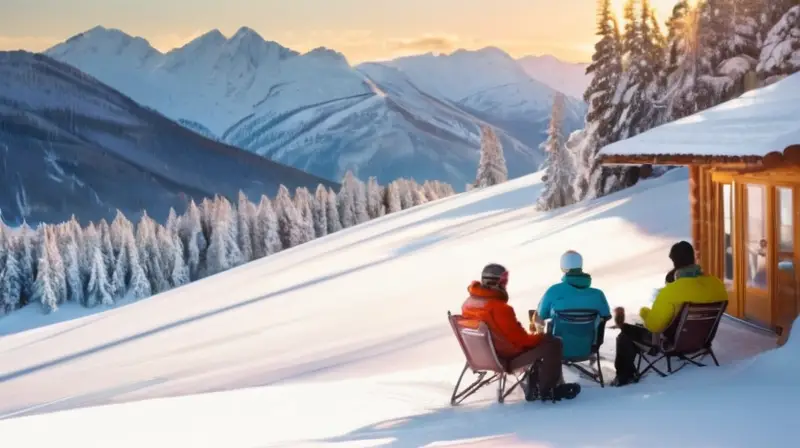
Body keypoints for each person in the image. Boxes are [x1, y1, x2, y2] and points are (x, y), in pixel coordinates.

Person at [611, 241, 728, 386]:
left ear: (674, 263)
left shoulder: (672, 290)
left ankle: (624, 378)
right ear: (693, 259)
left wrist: (644, 312)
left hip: (673, 344)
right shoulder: (717, 285)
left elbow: (654, 326)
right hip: (702, 342)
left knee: (625, 335)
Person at [462, 263, 580, 401]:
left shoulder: (469, 304)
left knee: (545, 342)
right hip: (505, 358)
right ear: (496, 283)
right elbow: (522, 340)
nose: (505, 285)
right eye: (504, 281)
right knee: (553, 343)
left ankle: (538, 380)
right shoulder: (499, 308)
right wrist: (541, 337)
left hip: (480, 356)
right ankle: (549, 390)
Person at [532, 250, 612, 358]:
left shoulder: (554, 291)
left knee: (535, 318)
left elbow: (541, 316)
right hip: (587, 349)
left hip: (557, 349)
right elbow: (605, 316)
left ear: (563, 267)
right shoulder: (598, 295)